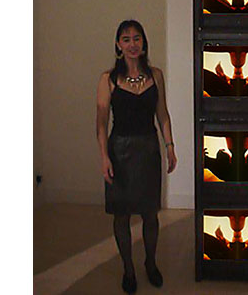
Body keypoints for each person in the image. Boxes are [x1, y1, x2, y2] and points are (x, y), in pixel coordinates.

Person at [96, 19, 177, 294]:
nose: (132, 44)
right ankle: (128, 270)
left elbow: (162, 114)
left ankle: (150, 263)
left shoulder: (156, 75)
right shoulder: (108, 79)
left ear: (144, 42)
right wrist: (104, 156)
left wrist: (169, 146)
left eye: (137, 38)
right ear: (118, 45)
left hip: (148, 150)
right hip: (119, 151)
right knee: (121, 216)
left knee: (150, 214)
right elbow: (100, 122)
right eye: (126, 39)